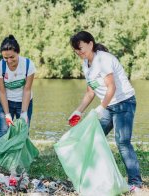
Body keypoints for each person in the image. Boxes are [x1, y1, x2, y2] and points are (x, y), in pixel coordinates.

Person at [68, 31, 143, 190]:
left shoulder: (103, 60)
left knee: (122, 142)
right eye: (76, 50)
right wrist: (78, 111)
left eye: (81, 48)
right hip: (108, 105)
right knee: (94, 137)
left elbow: (112, 87)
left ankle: (135, 182)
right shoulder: (86, 63)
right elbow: (90, 92)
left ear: (90, 44)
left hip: (124, 103)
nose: (79, 52)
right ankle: (94, 178)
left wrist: (101, 108)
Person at [0, 35, 36, 140]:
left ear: (18, 53)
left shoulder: (28, 65)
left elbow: (27, 90)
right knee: (3, 132)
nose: (9, 61)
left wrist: (24, 112)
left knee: (23, 133)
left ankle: (21, 156)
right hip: (6, 101)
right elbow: (2, 92)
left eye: (12, 57)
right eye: (5, 58)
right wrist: (7, 114)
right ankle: (0, 156)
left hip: (24, 102)